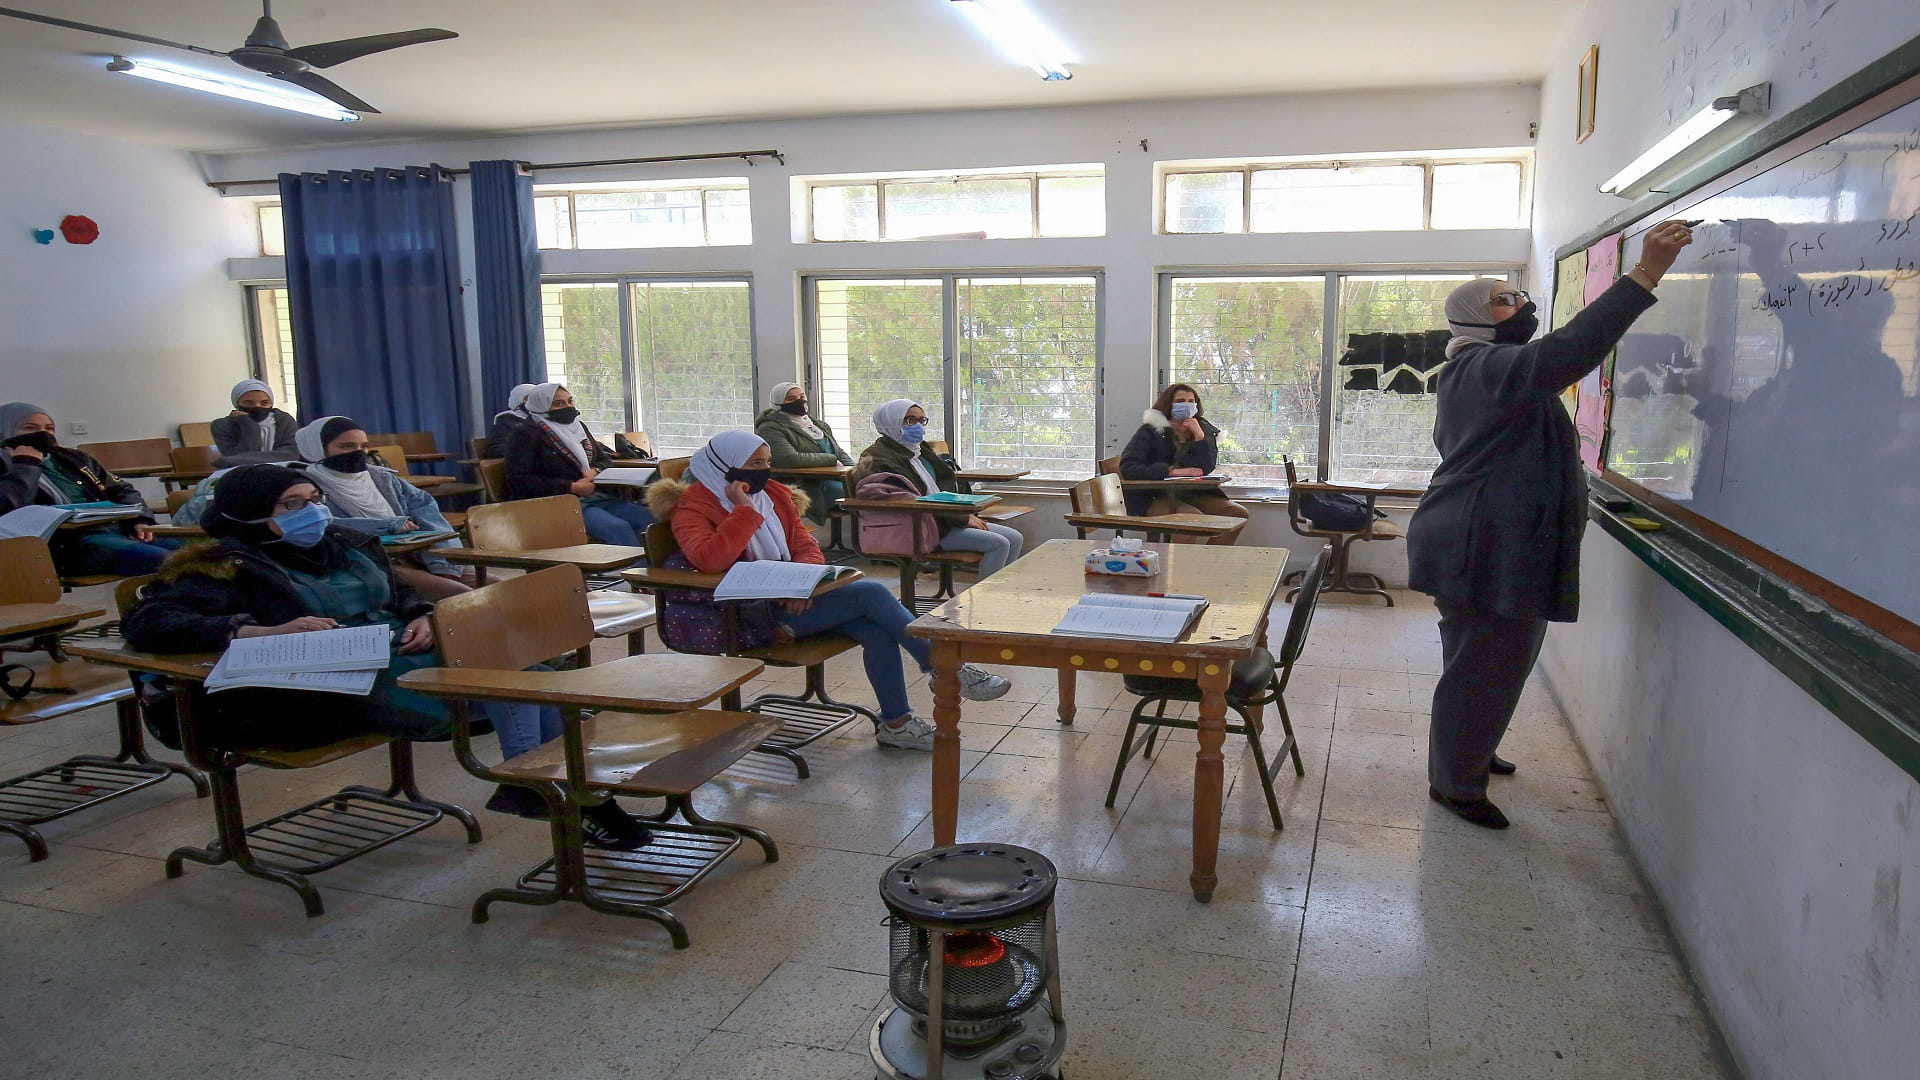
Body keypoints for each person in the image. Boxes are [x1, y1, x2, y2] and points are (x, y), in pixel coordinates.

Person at [119, 464, 652, 849]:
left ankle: (549, 791)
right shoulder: (220, 565)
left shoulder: (345, 543)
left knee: (539, 679)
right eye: (293, 505)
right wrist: (256, 629)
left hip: (397, 648)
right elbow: (149, 624)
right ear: (251, 516)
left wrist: (422, 614)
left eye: (313, 499)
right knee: (504, 686)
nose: (313, 512)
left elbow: (396, 596)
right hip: (325, 680)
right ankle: (547, 791)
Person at [1408, 220, 1696, 830]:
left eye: (1518, 295)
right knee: (1485, 661)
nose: (1523, 305)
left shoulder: (1487, 369)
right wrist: (1644, 274)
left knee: (1486, 657)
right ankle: (1455, 781)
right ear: (1473, 318)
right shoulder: (1486, 367)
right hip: (1480, 545)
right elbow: (1566, 351)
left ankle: (1469, 748)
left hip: (1484, 539)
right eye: (1504, 299)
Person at [647, 431, 1012, 751]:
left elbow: (806, 545)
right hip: (745, 615)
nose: (763, 471)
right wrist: (743, 512)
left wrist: (803, 583)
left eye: (767, 462)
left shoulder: (773, 493)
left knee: (875, 628)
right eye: (754, 463)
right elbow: (710, 560)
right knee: (871, 594)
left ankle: (898, 725)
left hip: (792, 601)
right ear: (723, 465)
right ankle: (945, 667)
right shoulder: (693, 506)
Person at [292, 416, 471, 601]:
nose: (358, 453)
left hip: (417, 556)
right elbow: (328, 525)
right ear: (319, 449)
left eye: (364, 446)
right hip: (372, 564)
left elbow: (428, 513)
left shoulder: (383, 478)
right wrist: (388, 525)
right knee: (463, 597)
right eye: (347, 446)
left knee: (496, 587)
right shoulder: (305, 486)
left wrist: (443, 566)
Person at [849, 399, 1026, 576]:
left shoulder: (919, 451)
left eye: (921, 420)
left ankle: (997, 594)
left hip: (943, 520)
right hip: (919, 529)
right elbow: (908, 502)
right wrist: (961, 519)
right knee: (999, 544)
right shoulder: (878, 460)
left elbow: (941, 487)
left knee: (1015, 538)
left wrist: (962, 514)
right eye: (910, 420)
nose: (918, 426)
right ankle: (985, 599)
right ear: (890, 423)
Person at [0, 401, 178, 576]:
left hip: (117, 528)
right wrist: (26, 464)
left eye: (49, 428)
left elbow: (121, 489)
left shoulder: (71, 457)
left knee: (193, 553)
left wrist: (141, 520)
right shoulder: (5, 465)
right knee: (164, 561)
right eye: (30, 428)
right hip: (68, 543)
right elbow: (9, 509)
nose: (42, 434)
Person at [502, 383, 653, 545]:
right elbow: (519, 480)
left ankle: (655, 567)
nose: (568, 407)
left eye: (570, 401)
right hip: (557, 503)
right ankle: (633, 569)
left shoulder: (578, 427)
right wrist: (571, 487)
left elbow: (604, 460)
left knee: (650, 520)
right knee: (618, 527)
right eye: (559, 404)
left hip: (595, 497)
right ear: (541, 406)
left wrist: (596, 469)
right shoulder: (525, 434)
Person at [1118, 384, 1249, 545]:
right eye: (1180, 401)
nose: (1186, 405)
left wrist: (1200, 438)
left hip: (1193, 493)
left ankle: (1210, 561)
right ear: (1169, 404)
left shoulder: (1203, 428)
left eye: (1190, 401)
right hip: (1154, 495)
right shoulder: (1150, 430)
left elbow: (1205, 468)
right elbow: (1128, 467)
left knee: (1237, 513)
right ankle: (1178, 566)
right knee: (1191, 519)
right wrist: (1171, 472)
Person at [754, 381, 853, 525]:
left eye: (802, 396)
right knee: (854, 492)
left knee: (863, 485)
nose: (800, 401)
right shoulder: (770, 428)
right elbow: (787, 458)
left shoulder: (818, 425)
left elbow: (839, 452)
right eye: (791, 399)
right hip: (808, 485)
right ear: (778, 403)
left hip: (835, 477)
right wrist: (831, 460)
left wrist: (856, 471)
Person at [209, 379, 300, 465]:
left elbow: (291, 455)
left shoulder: (284, 420)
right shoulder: (221, 426)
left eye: (264, 403)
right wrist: (249, 425)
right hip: (242, 473)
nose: (257, 406)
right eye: (248, 403)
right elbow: (236, 456)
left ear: (271, 404)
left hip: (284, 471)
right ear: (237, 403)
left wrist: (229, 460)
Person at [485, 382, 537, 459]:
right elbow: (497, 450)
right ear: (518, 400)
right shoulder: (505, 422)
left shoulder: (540, 420)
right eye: (528, 398)